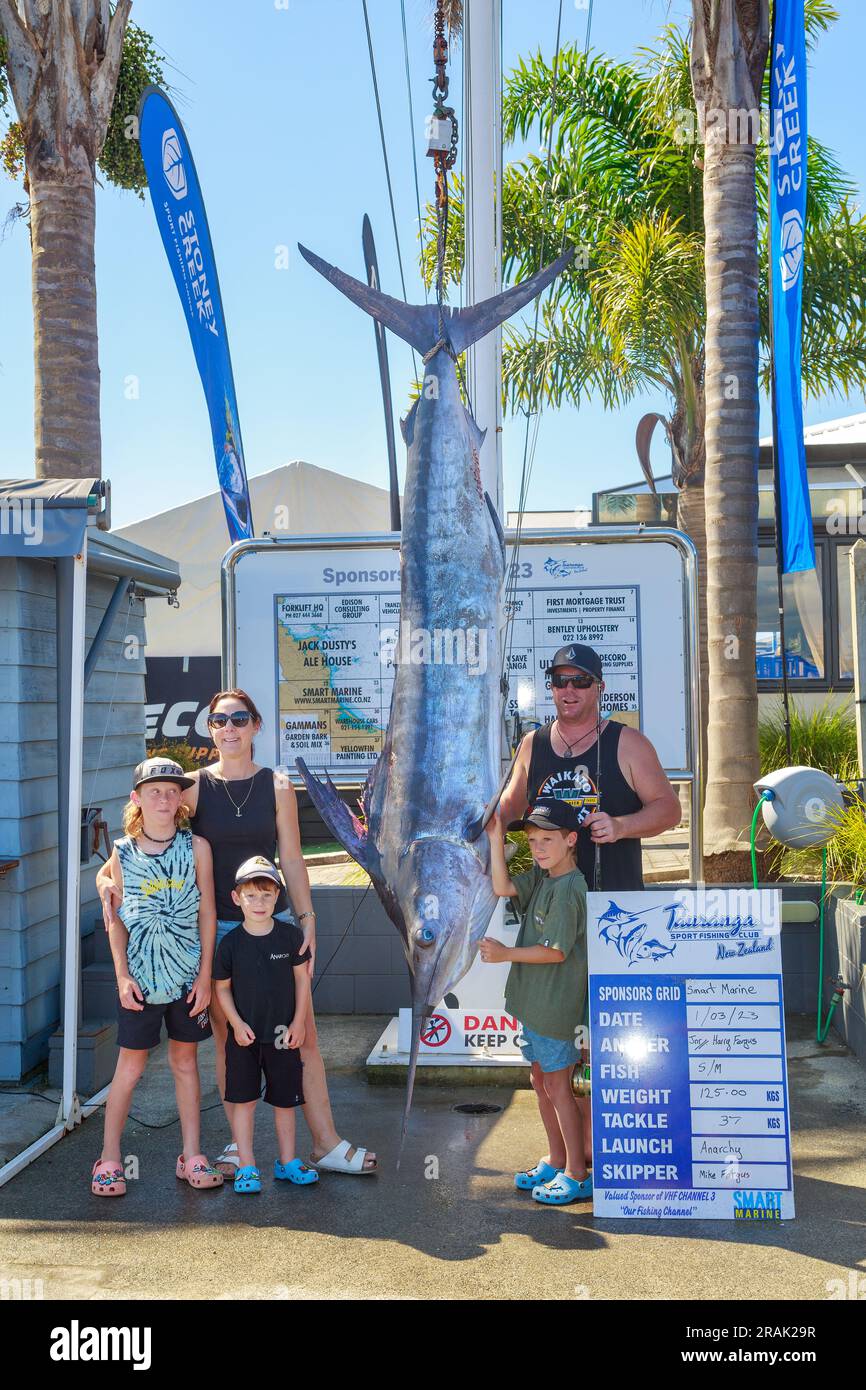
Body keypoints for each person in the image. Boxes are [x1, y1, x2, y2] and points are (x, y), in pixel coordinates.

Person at [97, 690, 376, 1176]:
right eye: (220, 720)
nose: (230, 728)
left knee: (301, 1037)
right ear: (210, 728)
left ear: (256, 726)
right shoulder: (193, 788)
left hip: (276, 923)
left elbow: (291, 857)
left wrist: (307, 921)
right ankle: (236, 1147)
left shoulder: (278, 785)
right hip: (223, 930)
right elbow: (146, 832)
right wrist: (105, 879)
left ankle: (325, 1143)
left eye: (239, 719)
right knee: (232, 1042)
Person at [91, 758, 223, 1196]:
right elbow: (117, 920)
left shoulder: (196, 847)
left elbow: (207, 911)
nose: (164, 798)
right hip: (141, 982)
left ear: (181, 797)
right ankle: (109, 1157)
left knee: (185, 1063)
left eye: (172, 790)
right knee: (129, 1068)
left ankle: (191, 1153)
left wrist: (204, 976)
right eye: (154, 791)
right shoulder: (122, 852)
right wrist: (122, 975)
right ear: (136, 798)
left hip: (186, 978)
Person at [498, 643, 681, 892]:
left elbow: (669, 810)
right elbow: (507, 811)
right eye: (560, 680)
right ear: (551, 687)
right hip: (551, 908)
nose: (569, 689)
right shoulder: (531, 744)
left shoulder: (630, 743)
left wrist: (621, 826)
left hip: (614, 908)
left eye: (581, 681)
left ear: (599, 687)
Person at [481, 801, 591, 1206]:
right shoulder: (543, 878)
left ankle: (577, 1174)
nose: (539, 847)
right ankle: (557, 1158)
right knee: (540, 1083)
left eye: (548, 839)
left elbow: (556, 952)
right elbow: (503, 887)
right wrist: (496, 839)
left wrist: (506, 953)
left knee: (559, 1088)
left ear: (571, 840)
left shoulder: (568, 890)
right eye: (532, 840)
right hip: (534, 1005)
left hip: (555, 1007)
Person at [212, 857, 316, 1194]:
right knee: (244, 1101)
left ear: (278, 897)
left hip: (283, 1036)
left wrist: (298, 1023)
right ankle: (247, 1165)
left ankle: (287, 1162)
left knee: (286, 1102)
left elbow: (302, 981)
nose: (259, 903)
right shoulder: (230, 944)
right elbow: (222, 989)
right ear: (236, 897)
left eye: (267, 895)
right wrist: (235, 1024)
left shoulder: (289, 937)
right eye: (251, 896)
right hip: (243, 1038)